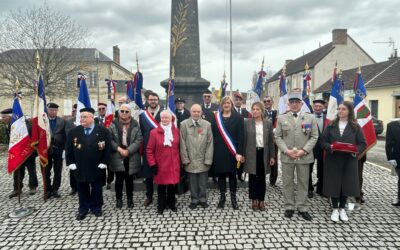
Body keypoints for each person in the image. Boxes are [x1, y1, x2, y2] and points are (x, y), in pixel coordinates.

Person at [274, 90, 318, 221]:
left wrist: (304, 150)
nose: (294, 105)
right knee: (287, 182)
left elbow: (314, 136)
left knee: (303, 183)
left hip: (304, 156)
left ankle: (302, 207)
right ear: (288, 104)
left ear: (301, 103)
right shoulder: (282, 118)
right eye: (291, 102)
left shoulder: (310, 117)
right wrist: (286, 150)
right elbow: (277, 136)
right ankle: (289, 206)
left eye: (296, 102)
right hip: (287, 156)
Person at [321, 101, 367, 222]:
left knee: (346, 184)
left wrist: (354, 150)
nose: (340, 111)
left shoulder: (355, 127)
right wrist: (329, 147)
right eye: (339, 109)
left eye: (343, 109)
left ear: (349, 111)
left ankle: (342, 209)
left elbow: (363, 144)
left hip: (349, 159)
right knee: (334, 183)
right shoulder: (331, 125)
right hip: (333, 159)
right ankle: (335, 209)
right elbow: (322, 142)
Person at [65, 107, 111, 220]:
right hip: (80, 166)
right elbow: (68, 149)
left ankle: (96, 207)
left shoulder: (103, 131)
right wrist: (70, 162)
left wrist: (104, 162)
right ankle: (83, 208)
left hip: (97, 166)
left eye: (85, 117)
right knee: (82, 188)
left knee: (97, 188)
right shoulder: (74, 132)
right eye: (81, 117)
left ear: (92, 118)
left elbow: (108, 148)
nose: (82, 119)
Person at [211, 96, 244, 209]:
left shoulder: (238, 118)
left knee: (232, 176)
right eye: (224, 103)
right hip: (219, 151)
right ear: (221, 105)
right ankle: (222, 198)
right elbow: (213, 134)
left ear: (231, 104)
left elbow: (241, 137)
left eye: (228, 103)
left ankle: (233, 199)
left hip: (233, 152)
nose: (226, 105)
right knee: (221, 176)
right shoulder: (216, 117)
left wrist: (240, 152)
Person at [109, 104, 143, 209]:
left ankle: (130, 199)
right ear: (119, 112)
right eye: (122, 111)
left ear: (130, 113)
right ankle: (119, 199)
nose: (124, 113)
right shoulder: (113, 124)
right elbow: (109, 139)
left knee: (129, 179)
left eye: (126, 111)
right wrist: (119, 149)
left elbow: (138, 140)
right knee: (118, 179)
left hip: (131, 155)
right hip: (117, 154)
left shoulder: (135, 124)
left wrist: (128, 151)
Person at [146, 110, 180, 214]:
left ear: (171, 119)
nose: (165, 119)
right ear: (160, 119)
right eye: (163, 118)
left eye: (167, 118)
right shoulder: (154, 132)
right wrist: (152, 164)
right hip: (160, 165)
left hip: (173, 164)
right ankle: (161, 206)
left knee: (171, 187)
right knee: (161, 187)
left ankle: (171, 204)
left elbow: (180, 147)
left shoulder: (176, 131)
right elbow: (149, 150)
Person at [180, 104, 214, 209]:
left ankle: (203, 199)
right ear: (190, 112)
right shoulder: (184, 124)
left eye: (198, 112)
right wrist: (185, 159)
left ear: (201, 113)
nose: (196, 113)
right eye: (194, 111)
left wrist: (208, 159)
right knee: (193, 182)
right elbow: (182, 143)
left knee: (203, 182)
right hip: (190, 159)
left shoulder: (207, 125)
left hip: (202, 159)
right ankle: (194, 200)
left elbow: (210, 143)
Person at [243, 101, 275, 211]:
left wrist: (272, 156)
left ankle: (261, 200)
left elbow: (271, 141)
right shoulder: (247, 122)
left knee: (261, 178)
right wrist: (242, 155)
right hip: (251, 153)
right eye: (253, 109)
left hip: (263, 153)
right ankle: (253, 200)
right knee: (252, 177)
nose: (255, 111)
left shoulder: (268, 123)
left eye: (257, 109)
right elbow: (244, 140)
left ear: (262, 111)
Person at [139, 92, 162, 207]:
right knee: (148, 174)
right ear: (147, 100)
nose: (153, 101)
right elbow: (142, 132)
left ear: (158, 100)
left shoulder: (164, 113)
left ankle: (163, 195)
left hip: (161, 148)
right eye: (151, 99)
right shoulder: (143, 115)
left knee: (162, 172)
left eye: (155, 99)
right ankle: (149, 196)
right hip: (148, 148)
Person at [45, 103, 66, 199]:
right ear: (47, 110)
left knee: (58, 171)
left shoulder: (62, 121)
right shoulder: (43, 121)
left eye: (55, 110)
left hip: (58, 150)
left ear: (57, 111)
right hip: (45, 150)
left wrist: (65, 149)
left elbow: (65, 136)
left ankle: (55, 189)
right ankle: (48, 189)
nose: (53, 112)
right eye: (51, 110)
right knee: (46, 171)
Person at [308, 99, 326, 198]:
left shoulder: (328, 118)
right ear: (313, 107)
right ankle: (309, 188)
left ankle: (321, 188)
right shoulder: (308, 117)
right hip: (311, 146)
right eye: (316, 106)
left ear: (323, 107)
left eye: (320, 106)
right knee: (308, 168)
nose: (318, 108)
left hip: (323, 147)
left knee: (322, 168)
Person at [95, 102, 114, 190]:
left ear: (106, 110)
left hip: (109, 145)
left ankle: (109, 181)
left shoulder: (111, 119)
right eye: (100, 109)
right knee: (99, 165)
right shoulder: (95, 120)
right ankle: (101, 181)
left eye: (103, 109)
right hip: (98, 146)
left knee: (110, 166)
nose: (102, 110)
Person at [233, 92, 250, 182]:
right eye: (236, 100)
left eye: (240, 100)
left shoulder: (246, 113)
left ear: (242, 101)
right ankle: (233, 173)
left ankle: (239, 174)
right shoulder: (231, 112)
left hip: (243, 138)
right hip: (233, 138)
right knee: (233, 156)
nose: (238, 102)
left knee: (242, 155)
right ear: (234, 101)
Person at [263, 96, 279, 187]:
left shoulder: (276, 113)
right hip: (263, 139)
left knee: (274, 159)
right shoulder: (261, 112)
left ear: (272, 102)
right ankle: (262, 178)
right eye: (264, 101)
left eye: (268, 101)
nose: (266, 103)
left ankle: (273, 181)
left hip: (274, 140)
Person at [385, 116, 400, 206]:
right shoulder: (392, 126)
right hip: (398, 157)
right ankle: (399, 198)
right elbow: (389, 143)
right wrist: (390, 157)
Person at [65, 103, 78, 195]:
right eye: (74, 110)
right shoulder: (69, 122)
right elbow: (68, 134)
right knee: (73, 169)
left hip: (85, 149)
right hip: (73, 149)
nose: (75, 112)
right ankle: (73, 187)